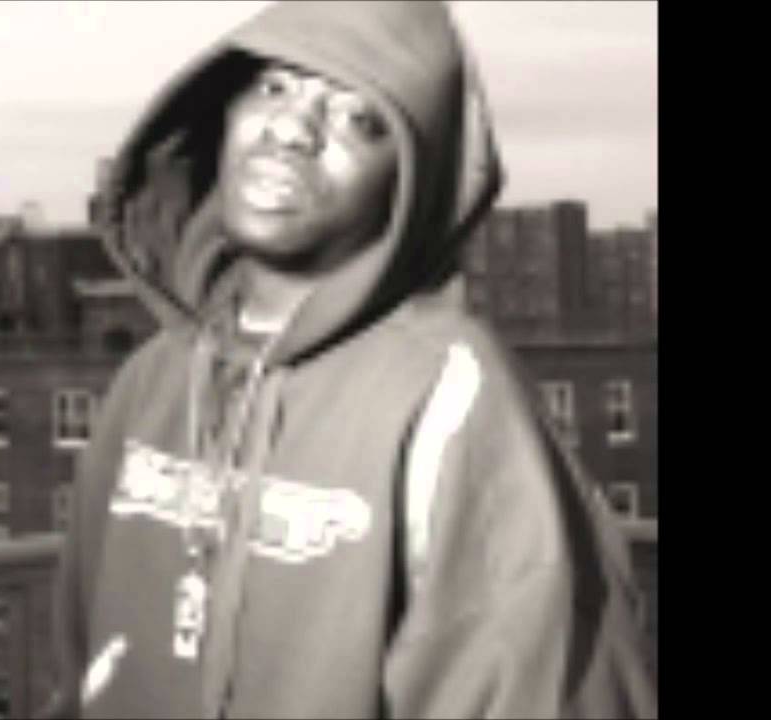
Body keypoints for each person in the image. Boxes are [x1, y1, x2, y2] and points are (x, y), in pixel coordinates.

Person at [46, 1, 658, 717]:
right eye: (275, 86)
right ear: (225, 112)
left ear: (406, 184)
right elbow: (82, 652)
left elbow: (534, 687)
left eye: (359, 119)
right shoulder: (150, 378)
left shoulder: (450, 391)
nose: (292, 130)